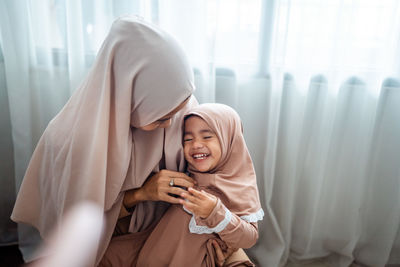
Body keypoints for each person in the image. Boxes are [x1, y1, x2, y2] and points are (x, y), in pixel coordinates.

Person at [11, 17, 248, 266]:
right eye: (161, 118)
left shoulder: (182, 109)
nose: (171, 125)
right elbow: (74, 228)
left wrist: (220, 236)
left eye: (175, 113)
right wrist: (140, 193)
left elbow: (219, 181)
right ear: (130, 93)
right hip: (112, 241)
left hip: (184, 230)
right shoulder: (68, 141)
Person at [136, 103, 264, 267]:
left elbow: (250, 237)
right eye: (188, 139)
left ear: (229, 139)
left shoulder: (241, 186)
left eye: (207, 137)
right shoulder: (183, 175)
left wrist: (215, 213)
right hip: (150, 253)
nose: (195, 144)